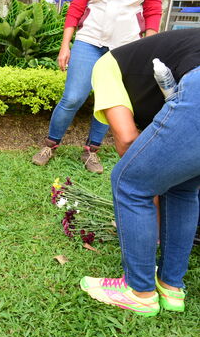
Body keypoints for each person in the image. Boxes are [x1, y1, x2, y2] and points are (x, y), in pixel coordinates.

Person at [80, 28, 200, 316]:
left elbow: (127, 137)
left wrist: (145, 201)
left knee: (129, 182)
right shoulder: (162, 51)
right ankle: (171, 287)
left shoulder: (104, 66)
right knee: (182, 187)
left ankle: (139, 291)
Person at [32, 0, 164, 174]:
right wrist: (65, 45)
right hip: (89, 38)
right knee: (73, 97)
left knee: (108, 100)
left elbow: (153, 9)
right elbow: (77, 4)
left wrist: (147, 49)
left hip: (126, 44)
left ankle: (91, 150)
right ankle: (50, 145)